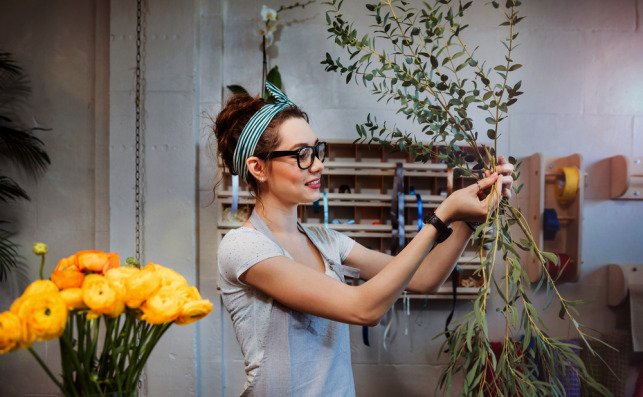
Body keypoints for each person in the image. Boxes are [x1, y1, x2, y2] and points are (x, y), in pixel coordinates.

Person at [211, 83, 514, 397]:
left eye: (317, 150)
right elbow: (364, 309)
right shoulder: (243, 247)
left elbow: (425, 278)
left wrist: (467, 219)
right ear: (258, 168)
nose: (318, 164)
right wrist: (442, 215)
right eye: (302, 154)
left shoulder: (326, 241)